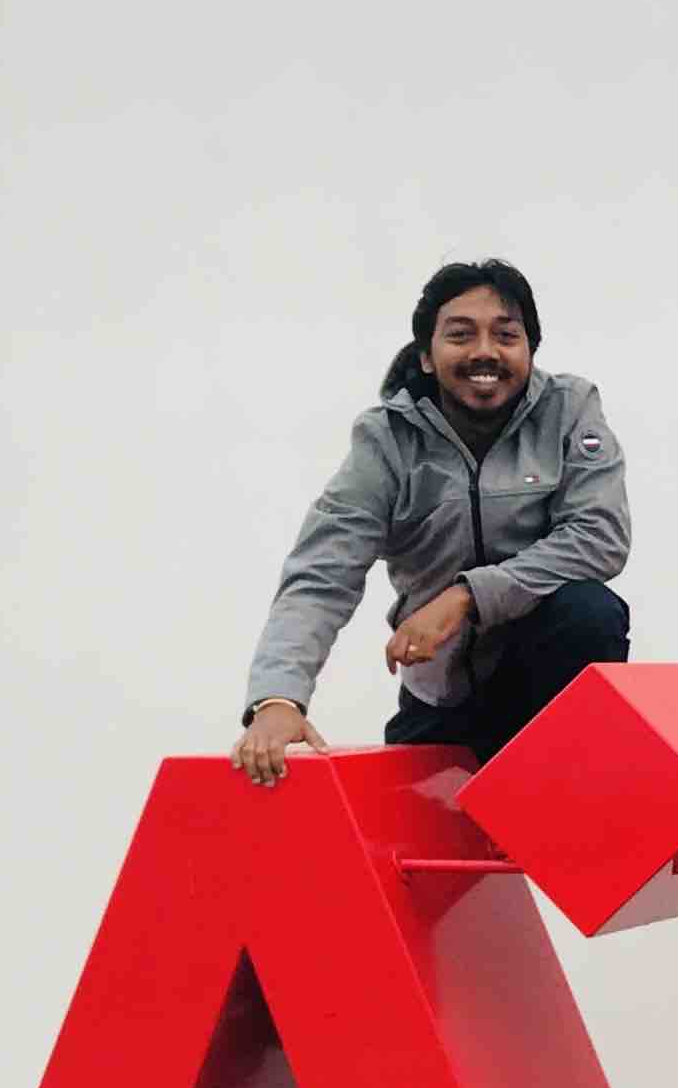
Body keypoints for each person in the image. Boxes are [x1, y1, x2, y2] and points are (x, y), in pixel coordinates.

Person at [230, 258, 632, 784]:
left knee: (591, 610)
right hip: (440, 697)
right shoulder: (385, 441)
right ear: (426, 355)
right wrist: (277, 699)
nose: (485, 352)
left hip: (544, 694)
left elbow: (599, 536)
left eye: (506, 335)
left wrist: (465, 597)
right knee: (411, 830)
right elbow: (322, 573)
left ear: (531, 351)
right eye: (461, 335)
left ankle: (565, 791)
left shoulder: (571, 409)